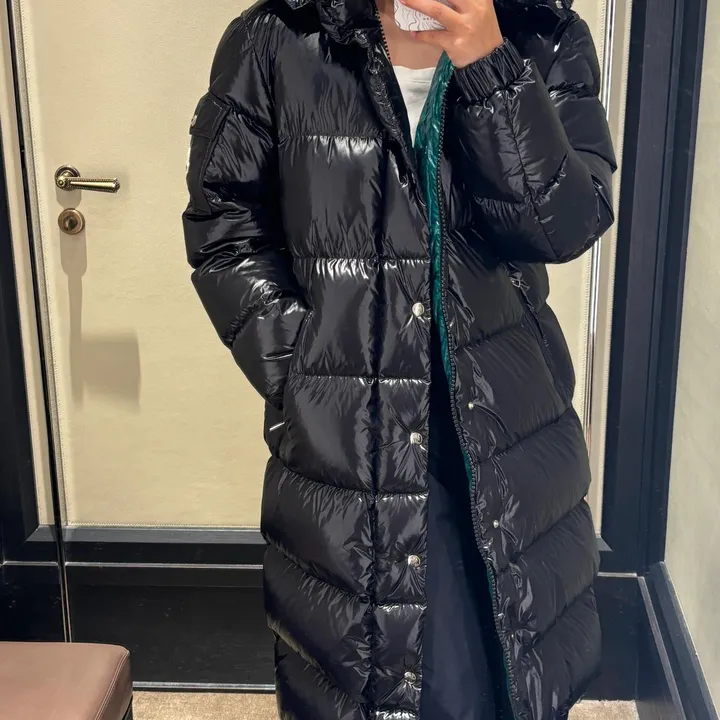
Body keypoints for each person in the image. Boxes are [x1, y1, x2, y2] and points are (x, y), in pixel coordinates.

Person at [182, 0, 616, 715]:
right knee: (361, 673)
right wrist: (306, 373)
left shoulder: (544, 35)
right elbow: (224, 225)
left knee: (503, 669)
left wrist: (490, 67)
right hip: (350, 439)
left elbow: (564, 225)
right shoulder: (277, 38)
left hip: (503, 429)